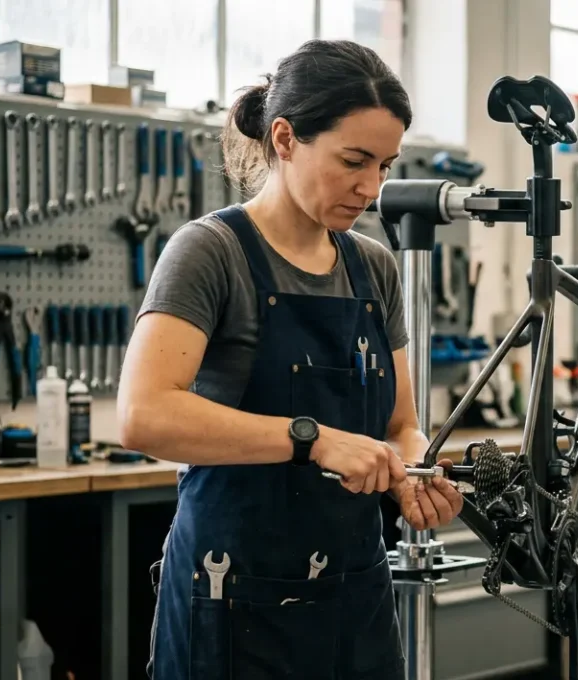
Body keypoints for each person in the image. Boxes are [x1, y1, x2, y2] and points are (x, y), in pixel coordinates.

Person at [117, 39, 464, 678]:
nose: (371, 187)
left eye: (386, 165)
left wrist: (420, 474)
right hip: (232, 599)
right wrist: (313, 439)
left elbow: (398, 426)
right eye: (354, 160)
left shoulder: (374, 268)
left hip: (354, 597)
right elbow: (143, 416)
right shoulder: (209, 252)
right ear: (284, 138)